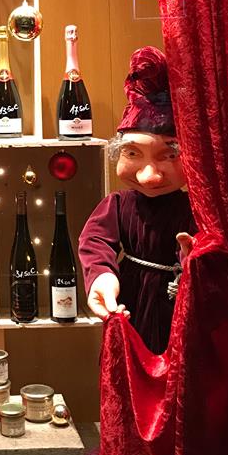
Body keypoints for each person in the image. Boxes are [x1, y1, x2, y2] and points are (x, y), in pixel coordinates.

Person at [79, 46, 196, 356]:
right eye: (133, 153)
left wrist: (195, 261)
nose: (148, 176)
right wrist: (103, 278)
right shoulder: (119, 204)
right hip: (129, 306)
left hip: (182, 311)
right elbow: (95, 241)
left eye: (168, 156)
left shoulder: (196, 208)